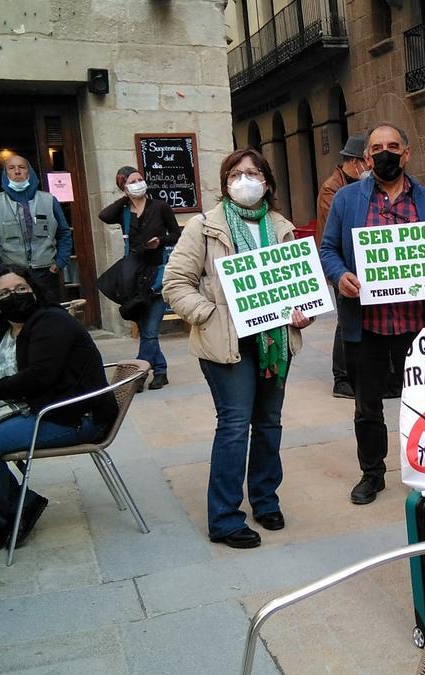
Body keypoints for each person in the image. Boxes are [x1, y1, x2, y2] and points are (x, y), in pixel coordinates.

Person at [320, 123, 425, 506]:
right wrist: (340, 275)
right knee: (367, 406)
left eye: (393, 146)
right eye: (377, 147)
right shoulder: (346, 200)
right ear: (366, 157)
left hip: (416, 325)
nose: (385, 153)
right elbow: (327, 249)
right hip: (368, 326)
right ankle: (372, 474)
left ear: (407, 154)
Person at [164, 149, 314, 548]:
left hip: (275, 344)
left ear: (266, 182)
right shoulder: (204, 227)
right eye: (236, 173)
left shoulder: (282, 226)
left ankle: (265, 500)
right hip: (225, 343)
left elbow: (297, 287)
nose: (245, 179)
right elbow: (175, 283)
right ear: (225, 181)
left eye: (253, 172)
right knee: (234, 427)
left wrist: (305, 312)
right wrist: (210, 315)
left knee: (269, 424)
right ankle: (225, 517)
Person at [0, 265, 118, 555]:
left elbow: (40, 375)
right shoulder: (3, 332)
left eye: (21, 288)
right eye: (5, 292)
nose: (15, 296)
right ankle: (21, 502)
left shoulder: (51, 322)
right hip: (35, 410)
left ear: (34, 290)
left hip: (73, 416)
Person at [97, 166, 181, 390]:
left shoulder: (160, 207)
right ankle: (160, 371)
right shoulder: (123, 211)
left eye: (140, 179)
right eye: (132, 181)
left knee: (150, 331)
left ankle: (138, 376)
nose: (138, 183)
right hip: (134, 277)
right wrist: (125, 199)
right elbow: (103, 215)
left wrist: (160, 241)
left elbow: (176, 233)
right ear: (124, 187)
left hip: (157, 273)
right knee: (146, 330)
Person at [0, 155, 73, 299]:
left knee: (49, 314)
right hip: (12, 275)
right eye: (11, 168)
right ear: (6, 173)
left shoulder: (49, 200)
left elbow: (64, 233)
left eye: (22, 167)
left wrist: (59, 263)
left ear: (29, 172)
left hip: (46, 272)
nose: (17, 172)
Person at [317, 136, 368, 400]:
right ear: (356, 162)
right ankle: (342, 377)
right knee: (345, 320)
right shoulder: (332, 189)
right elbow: (336, 230)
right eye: (366, 159)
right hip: (342, 263)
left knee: (359, 318)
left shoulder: (363, 183)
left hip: (363, 263)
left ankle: (358, 371)